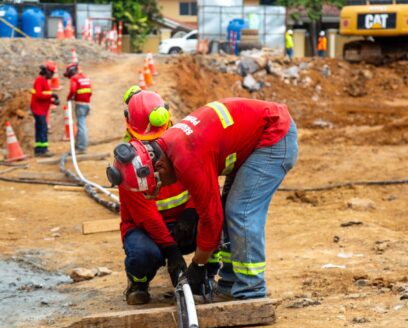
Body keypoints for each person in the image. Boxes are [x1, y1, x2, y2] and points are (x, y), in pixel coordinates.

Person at [108, 98, 298, 300]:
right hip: (252, 136)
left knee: (240, 212)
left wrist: (198, 266)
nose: (164, 187)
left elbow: (211, 218)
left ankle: (251, 291)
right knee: (227, 212)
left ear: (160, 166)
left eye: (159, 183)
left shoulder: (188, 159)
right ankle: (228, 284)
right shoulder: (170, 144)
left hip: (273, 136)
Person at [110, 86, 201, 305]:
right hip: (145, 231)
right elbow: (147, 216)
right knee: (144, 254)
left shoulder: (186, 144)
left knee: (216, 223)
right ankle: (138, 281)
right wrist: (171, 252)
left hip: (182, 223)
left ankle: (205, 275)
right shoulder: (128, 165)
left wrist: (191, 212)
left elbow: (202, 185)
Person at [30, 61, 59, 157]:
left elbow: (44, 96)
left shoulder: (44, 81)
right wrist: (51, 95)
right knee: (43, 128)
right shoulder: (40, 80)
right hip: (38, 109)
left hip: (41, 109)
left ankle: (39, 149)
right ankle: (43, 150)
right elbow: (38, 95)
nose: (52, 75)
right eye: (51, 72)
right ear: (47, 72)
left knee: (40, 128)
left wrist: (52, 101)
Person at [64, 63, 92, 154]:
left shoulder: (74, 78)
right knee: (82, 125)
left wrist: (69, 98)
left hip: (80, 105)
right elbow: (90, 91)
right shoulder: (85, 77)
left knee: (81, 126)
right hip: (87, 104)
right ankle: (78, 145)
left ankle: (81, 147)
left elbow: (73, 90)